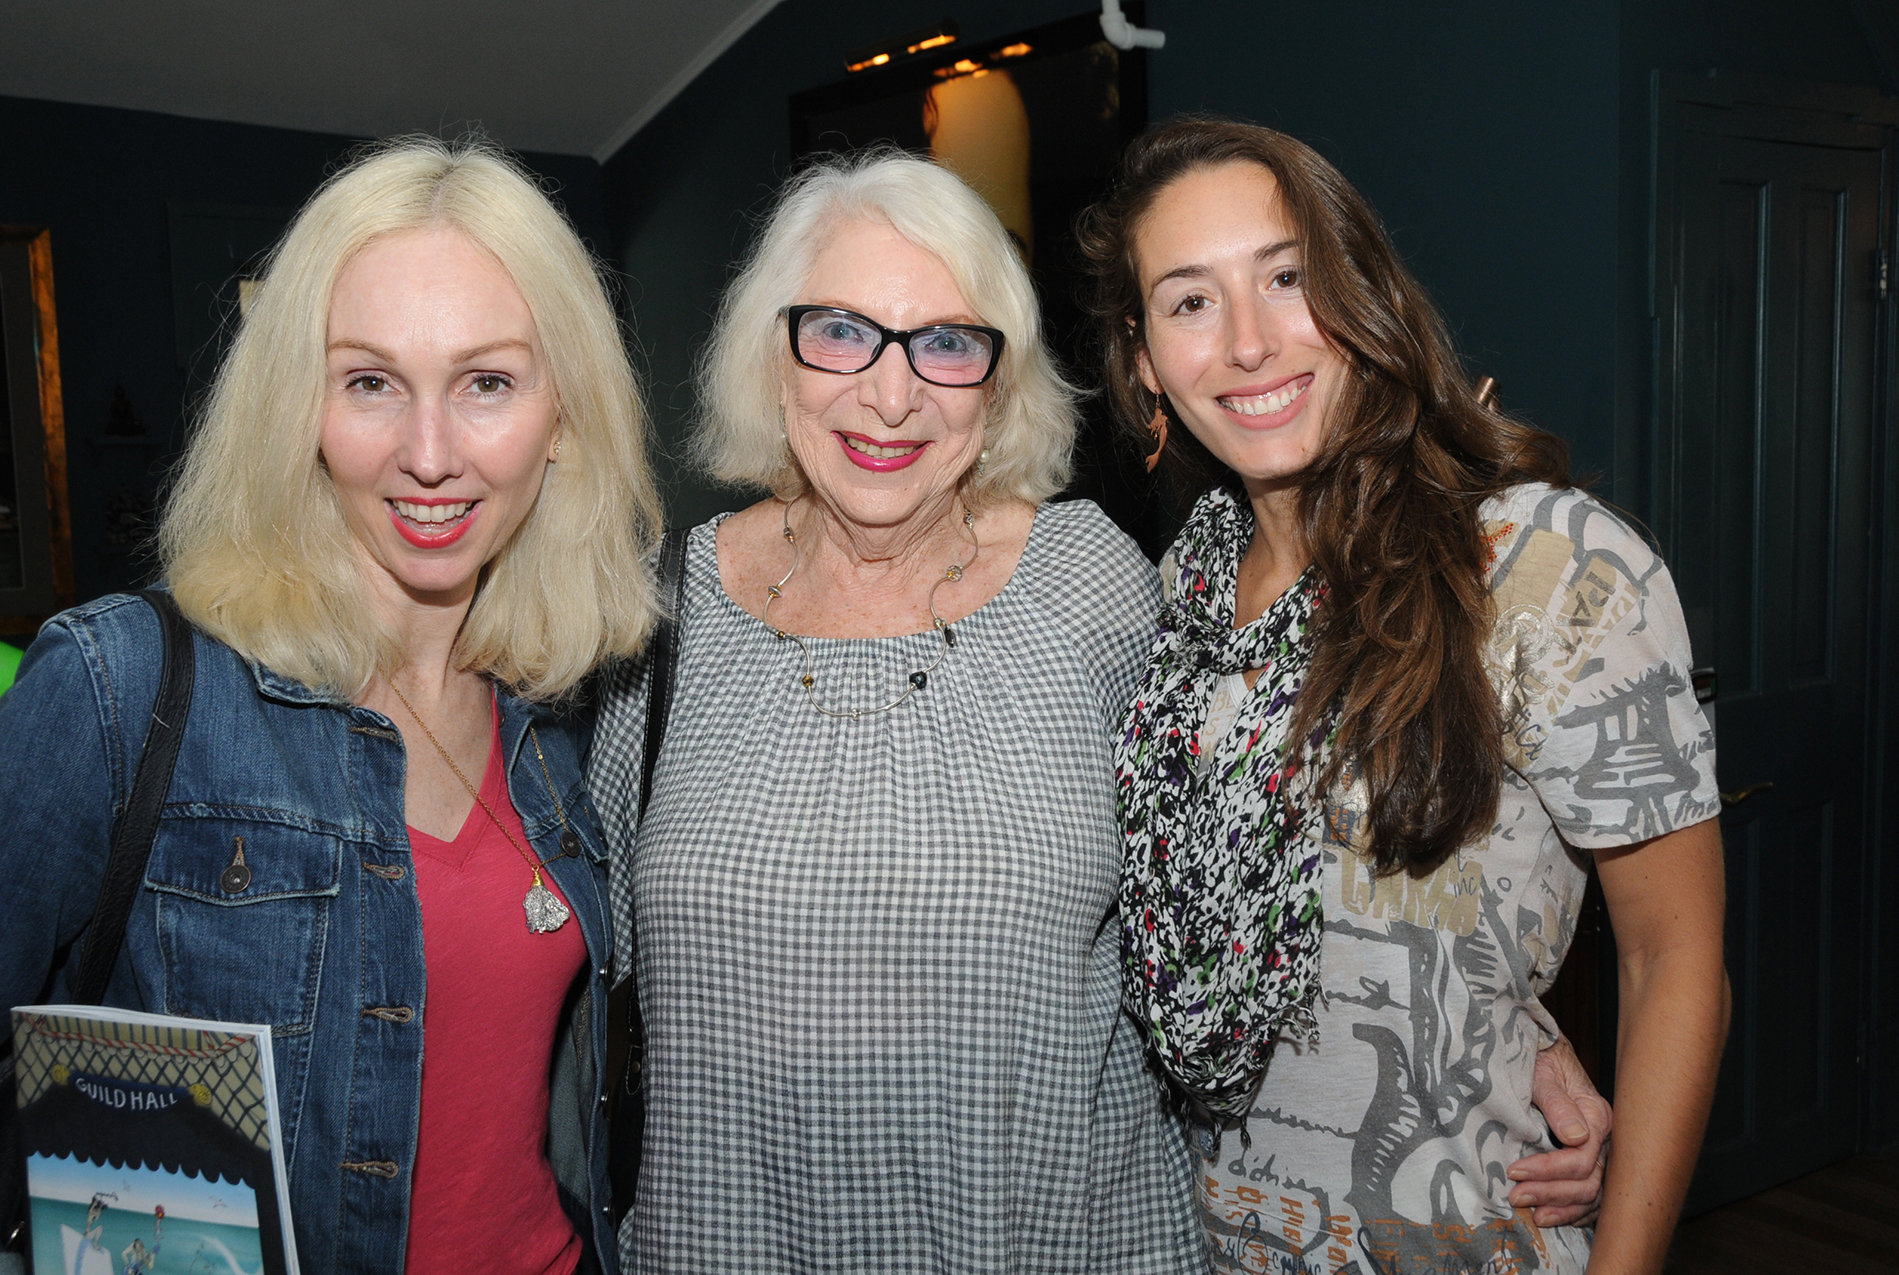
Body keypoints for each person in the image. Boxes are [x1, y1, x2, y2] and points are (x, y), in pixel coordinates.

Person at [586, 148, 1608, 1273]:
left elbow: (1257, 840)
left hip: (1061, 1242)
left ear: (997, 385)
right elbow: (566, 954)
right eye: (839, 331)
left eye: (946, 343)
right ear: (771, 358)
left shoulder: (1090, 585)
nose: (891, 392)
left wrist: (1509, 1022)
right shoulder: (662, 613)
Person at [1079, 119, 1730, 1275]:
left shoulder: (1541, 567)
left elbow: (1674, 964)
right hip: (1187, 1243)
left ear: (1360, 291)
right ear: (1144, 365)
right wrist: (1522, 1031)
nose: (1248, 342)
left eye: (1287, 278)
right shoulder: (1180, 592)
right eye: (1191, 302)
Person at [0, 136, 660, 1275]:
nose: (429, 454)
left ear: (563, 418)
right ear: (298, 407)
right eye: (370, 382)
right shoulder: (119, 689)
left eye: (487, 383)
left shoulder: (556, 716)